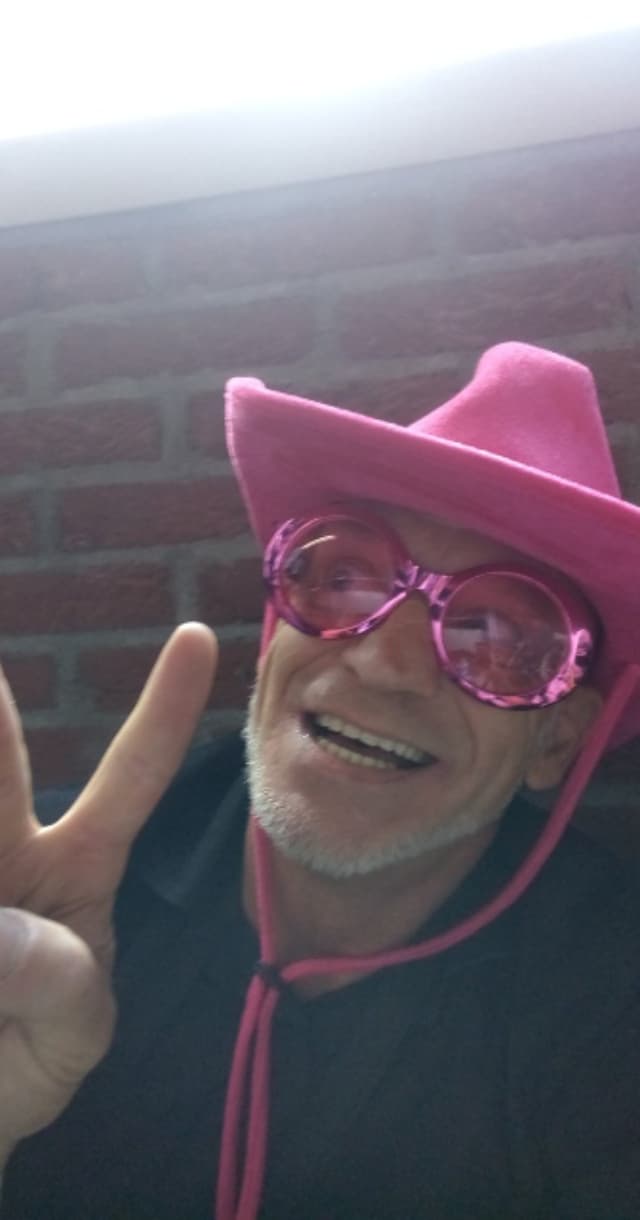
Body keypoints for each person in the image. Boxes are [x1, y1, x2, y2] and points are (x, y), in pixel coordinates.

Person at [0, 341, 639, 1220]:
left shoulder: (611, 998)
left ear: (558, 739)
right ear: (277, 626)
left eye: (497, 635)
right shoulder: (40, 906)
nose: (386, 666)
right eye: (345, 578)